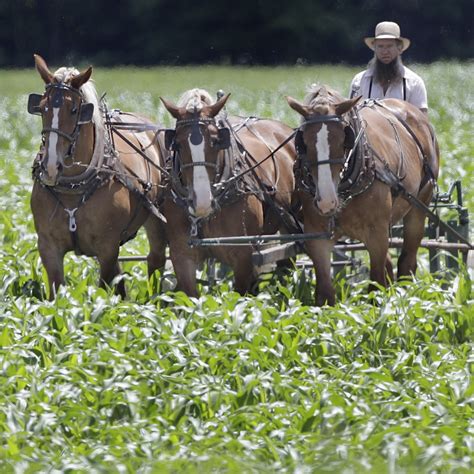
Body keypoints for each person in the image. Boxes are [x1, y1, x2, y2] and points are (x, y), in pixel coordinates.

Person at [349, 21, 428, 113]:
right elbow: (351, 116)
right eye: (380, 46)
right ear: (374, 49)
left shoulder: (414, 83)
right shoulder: (359, 81)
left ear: (400, 48)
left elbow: (421, 122)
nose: (385, 51)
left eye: (389, 46)